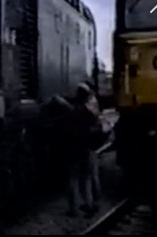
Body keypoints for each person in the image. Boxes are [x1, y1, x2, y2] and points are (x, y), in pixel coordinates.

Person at [63, 82, 103, 217]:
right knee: (87, 179)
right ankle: (89, 204)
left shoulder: (71, 112)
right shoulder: (89, 113)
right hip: (87, 149)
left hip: (74, 149)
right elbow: (97, 129)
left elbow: (67, 132)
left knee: (73, 179)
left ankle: (74, 208)